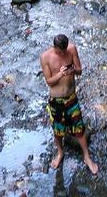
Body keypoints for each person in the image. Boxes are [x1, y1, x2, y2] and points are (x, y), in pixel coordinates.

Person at [40, 33, 98, 175]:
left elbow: (80, 71)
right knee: (58, 130)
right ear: (54, 47)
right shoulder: (45, 57)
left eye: (64, 51)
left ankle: (87, 157)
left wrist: (72, 69)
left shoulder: (71, 49)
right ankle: (60, 153)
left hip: (71, 98)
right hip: (56, 101)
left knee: (79, 128)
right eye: (59, 52)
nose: (62, 54)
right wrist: (60, 74)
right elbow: (49, 81)